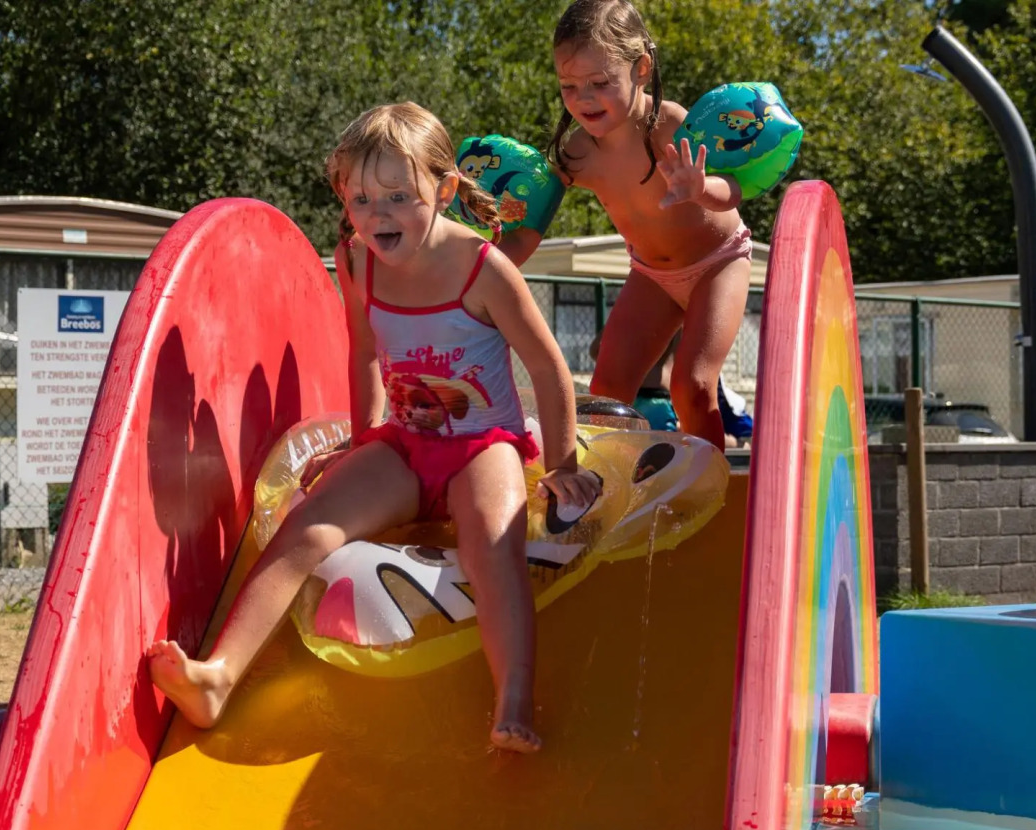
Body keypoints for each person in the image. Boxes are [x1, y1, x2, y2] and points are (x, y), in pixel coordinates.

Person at [148, 103, 599, 754]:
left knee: (493, 543)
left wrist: (560, 465)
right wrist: (363, 442)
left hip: (485, 447)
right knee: (309, 526)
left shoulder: (481, 268)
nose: (379, 213)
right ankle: (217, 677)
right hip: (407, 447)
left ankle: (514, 701)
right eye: (362, 197)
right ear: (343, 196)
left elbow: (548, 366)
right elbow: (364, 351)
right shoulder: (356, 262)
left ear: (443, 192)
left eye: (399, 196)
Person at [548, 0, 750, 450]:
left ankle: (708, 484)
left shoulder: (670, 125)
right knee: (607, 387)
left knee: (692, 384)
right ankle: (602, 484)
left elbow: (733, 189)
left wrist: (701, 188)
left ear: (641, 69)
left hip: (717, 262)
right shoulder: (578, 153)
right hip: (653, 277)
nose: (583, 98)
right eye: (569, 86)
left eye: (600, 83)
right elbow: (531, 218)